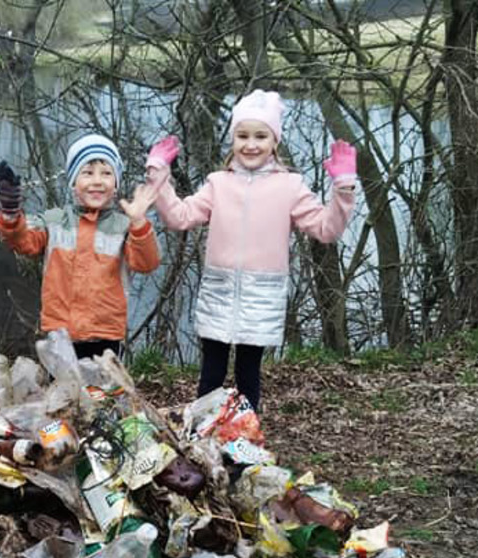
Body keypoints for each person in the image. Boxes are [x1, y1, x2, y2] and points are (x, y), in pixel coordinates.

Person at [145, 89, 357, 411]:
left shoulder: (290, 186)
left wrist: (343, 187)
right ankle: (203, 436)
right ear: (232, 139)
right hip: (219, 291)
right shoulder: (218, 183)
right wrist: (159, 175)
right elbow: (179, 217)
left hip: (261, 297)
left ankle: (246, 440)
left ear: (275, 141)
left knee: (248, 376)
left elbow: (327, 229)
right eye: (242, 135)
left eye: (261, 135)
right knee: (210, 375)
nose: (251, 144)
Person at [0, 134, 161, 359]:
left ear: (116, 184)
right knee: (65, 392)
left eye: (107, 173)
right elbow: (22, 241)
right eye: (87, 173)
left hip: (105, 334)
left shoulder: (123, 226)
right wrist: (11, 214)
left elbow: (147, 263)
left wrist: (139, 222)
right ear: (73, 182)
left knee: (102, 393)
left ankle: (103, 395)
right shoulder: (54, 220)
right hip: (60, 333)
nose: (97, 181)